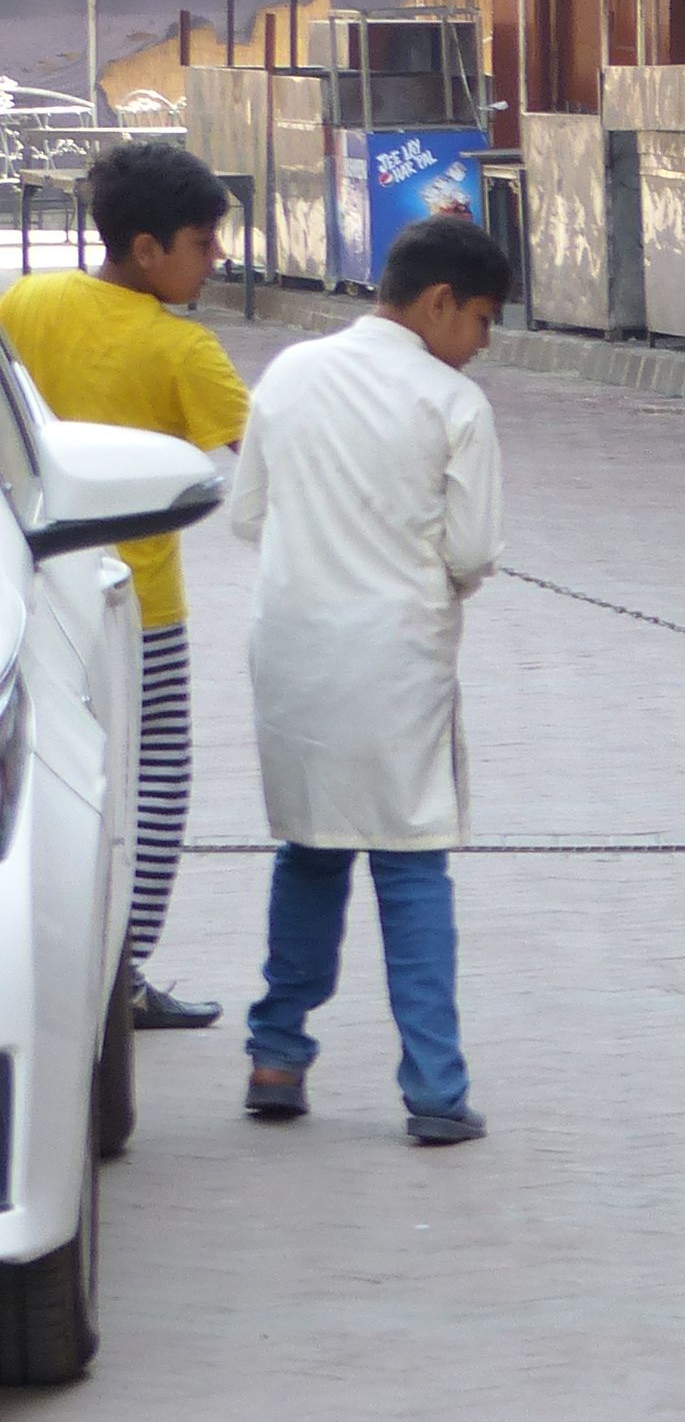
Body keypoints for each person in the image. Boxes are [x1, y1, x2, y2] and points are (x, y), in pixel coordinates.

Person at [231, 216, 511, 1144]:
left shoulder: (290, 374)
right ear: (439, 303)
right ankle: (435, 1089)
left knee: (309, 849)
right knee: (410, 862)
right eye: (479, 320)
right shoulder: (453, 404)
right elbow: (471, 551)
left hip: (293, 653)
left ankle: (276, 1053)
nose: (480, 343)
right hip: (395, 658)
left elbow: (250, 515)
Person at [0, 140, 252, 1029]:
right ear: (148, 249)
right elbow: (260, 470)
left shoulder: (25, 298)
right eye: (202, 239)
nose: (216, 256)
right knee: (154, 790)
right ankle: (123, 976)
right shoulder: (183, 349)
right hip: (139, 613)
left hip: (28, 593)